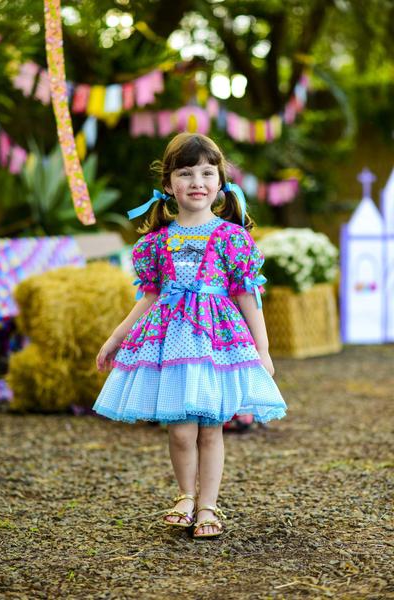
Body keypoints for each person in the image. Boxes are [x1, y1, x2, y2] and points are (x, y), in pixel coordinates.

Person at [94, 132, 287, 539]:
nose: (197, 181)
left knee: (212, 427)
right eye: (185, 173)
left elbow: (247, 297)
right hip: (173, 344)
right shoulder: (156, 243)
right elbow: (148, 298)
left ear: (220, 183)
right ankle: (185, 495)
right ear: (168, 185)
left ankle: (208, 505)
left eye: (206, 172)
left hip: (217, 344)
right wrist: (116, 338)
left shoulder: (232, 239)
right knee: (181, 429)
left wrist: (262, 349)